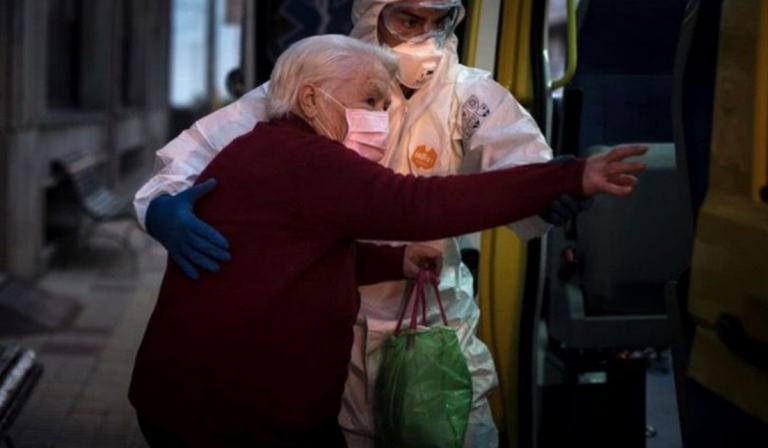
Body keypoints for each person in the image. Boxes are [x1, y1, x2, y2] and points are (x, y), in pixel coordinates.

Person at [130, 34, 645, 448]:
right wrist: (565, 177)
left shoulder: (272, 146)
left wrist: (393, 261)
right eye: (370, 101)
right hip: (230, 414)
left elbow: (295, 253)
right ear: (311, 99)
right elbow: (416, 205)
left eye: (385, 101)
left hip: (208, 400)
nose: (381, 118)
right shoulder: (308, 159)